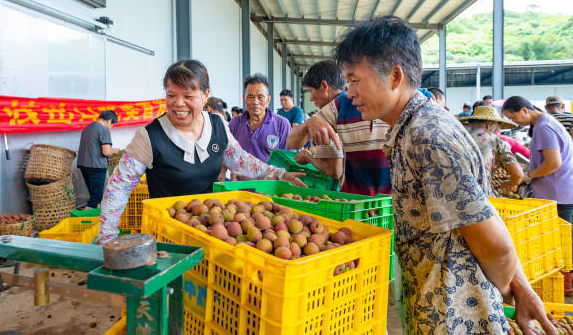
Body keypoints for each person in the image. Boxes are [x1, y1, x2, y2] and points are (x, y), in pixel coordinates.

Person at [307, 17, 554, 334]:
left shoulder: (427, 138)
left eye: (355, 81)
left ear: (395, 76)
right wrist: (520, 286)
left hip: (453, 315)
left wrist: (515, 291)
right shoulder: (413, 126)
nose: (349, 93)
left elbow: (494, 243)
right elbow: (477, 213)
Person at [98, 60, 305, 243]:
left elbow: (241, 161)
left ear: (206, 95)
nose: (179, 103)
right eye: (172, 95)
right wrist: (107, 236)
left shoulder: (218, 125)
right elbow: (119, 186)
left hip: (209, 229)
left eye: (188, 96)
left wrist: (279, 174)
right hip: (169, 234)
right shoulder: (149, 136)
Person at [503, 96, 573, 296]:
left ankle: (565, 284)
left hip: (557, 193)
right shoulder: (546, 123)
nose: (515, 122)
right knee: (561, 238)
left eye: (514, 116)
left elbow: (553, 163)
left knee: (561, 241)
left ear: (525, 110)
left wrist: (528, 175)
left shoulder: (543, 126)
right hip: (559, 190)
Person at [288, 60, 391, 196]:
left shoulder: (409, 104)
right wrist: (310, 122)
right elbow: (291, 142)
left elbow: (334, 171)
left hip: (389, 205)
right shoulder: (338, 106)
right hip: (351, 201)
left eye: (355, 81)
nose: (349, 92)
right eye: (350, 82)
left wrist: (308, 158)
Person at [460, 105, 524, 194]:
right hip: (477, 197)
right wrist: (510, 183)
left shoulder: (456, 136)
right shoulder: (494, 140)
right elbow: (518, 175)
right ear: (489, 125)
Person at [229, 74, 291, 162]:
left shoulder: (282, 124)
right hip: (239, 176)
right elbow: (226, 153)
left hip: (272, 176)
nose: (255, 102)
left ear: (268, 100)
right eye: (250, 97)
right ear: (244, 99)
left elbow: (287, 159)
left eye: (260, 97)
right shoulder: (235, 123)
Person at [77, 110, 121, 209]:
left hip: (84, 166)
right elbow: (106, 151)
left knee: (94, 196)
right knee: (96, 198)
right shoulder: (104, 130)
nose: (111, 127)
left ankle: (96, 218)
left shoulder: (87, 128)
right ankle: (85, 219)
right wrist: (115, 150)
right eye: (112, 124)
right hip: (96, 167)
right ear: (109, 121)